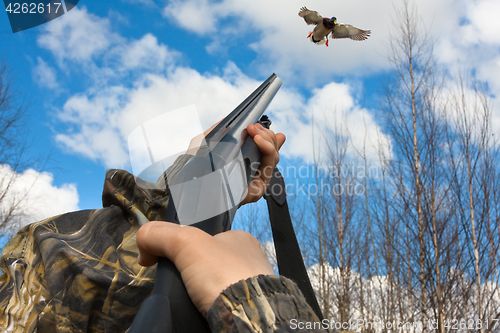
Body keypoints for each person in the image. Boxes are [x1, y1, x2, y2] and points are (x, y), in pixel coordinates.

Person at [0, 123, 328, 332]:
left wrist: (189, 187)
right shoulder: (42, 254)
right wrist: (256, 302)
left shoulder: (34, 261)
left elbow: (85, 266)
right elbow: (70, 261)